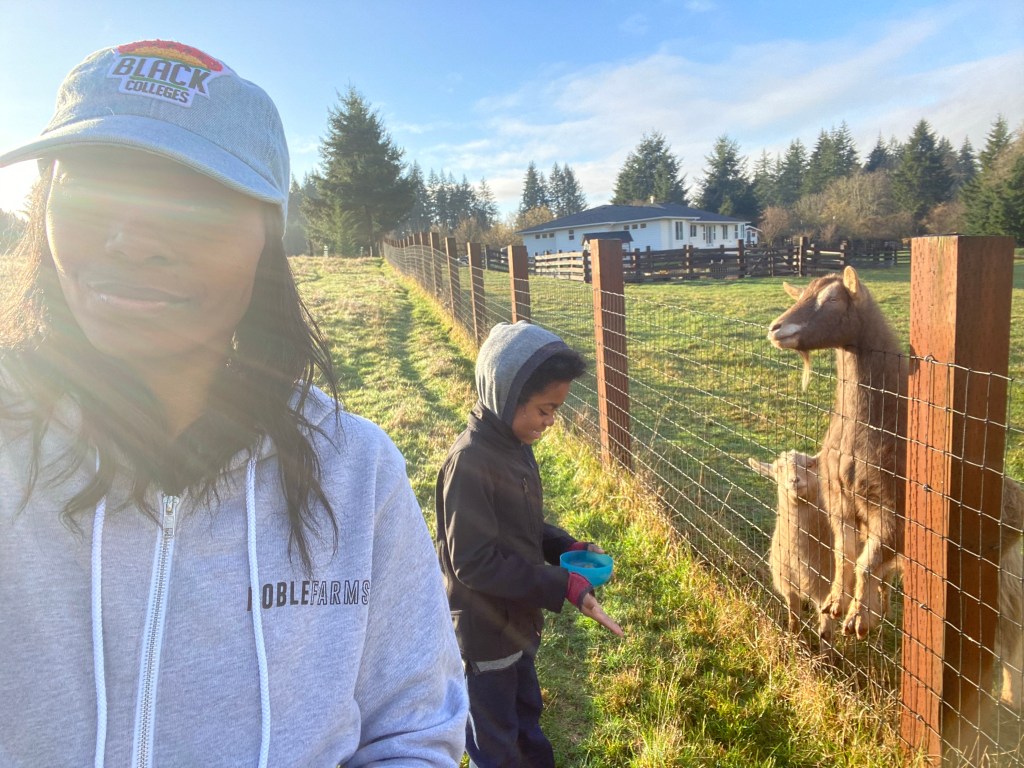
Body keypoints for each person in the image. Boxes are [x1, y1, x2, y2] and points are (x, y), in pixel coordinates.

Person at [0, 40, 467, 767]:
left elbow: (413, 727)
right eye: (90, 187)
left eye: (190, 201)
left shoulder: (358, 473)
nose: (130, 242)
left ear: (266, 239)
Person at [435, 320, 624, 767]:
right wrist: (562, 584)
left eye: (555, 409)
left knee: (527, 720)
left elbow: (524, 524)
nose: (551, 420)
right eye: (544, 409)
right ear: (506, 395)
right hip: (484, 635)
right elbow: (474, 563)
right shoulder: (470, 463)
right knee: (496, 741)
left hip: (517, 623)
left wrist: (565, 547)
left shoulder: (515, 447)